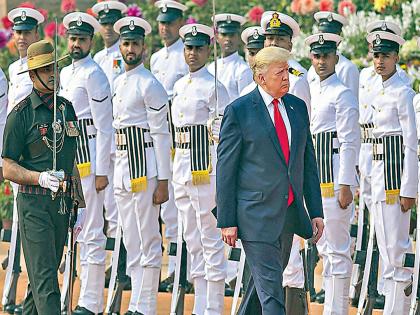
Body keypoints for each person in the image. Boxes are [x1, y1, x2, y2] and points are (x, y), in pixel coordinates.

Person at [217, 46, 324, 315]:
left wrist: (316, 211)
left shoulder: (297, 108)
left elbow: (307, 163)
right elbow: (226, 169)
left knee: (260, 289)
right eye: (280, 73)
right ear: (261, 78)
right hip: (254, 216)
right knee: (273, 294)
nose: (287, 78)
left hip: (287, 215)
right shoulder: (239, 111)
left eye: (287, 71)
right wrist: (227, 220)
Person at [2, 40, 79, 315]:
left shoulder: (67, 109)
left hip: (60, 206)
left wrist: (76, 203)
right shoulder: (20, 115)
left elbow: (72, 159)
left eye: (54, 68)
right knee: (47, 284)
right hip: (34, 206)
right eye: (45, 70)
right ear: (32, 76)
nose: (53, 74)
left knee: (38, 287)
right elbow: (8, 166)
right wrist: (39, 177)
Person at [112, 16, 171, 315]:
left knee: (148, 239)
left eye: (135, 43)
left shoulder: (151, 84)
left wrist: (163, 180)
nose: (130, 48)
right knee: (131, 240)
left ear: (144, 47)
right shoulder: (119, 82)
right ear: (120, 46)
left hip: (144, 168)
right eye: (125, 43)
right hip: (123, 170)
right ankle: (135, 302)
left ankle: (146, 305)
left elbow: (161, 134)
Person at [171, 23, 229, 315]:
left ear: (209, 50)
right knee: (191, 239)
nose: (192, 53)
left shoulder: (215, 86)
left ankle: (215, 308)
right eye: (188, 48)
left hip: (205, 168)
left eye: (198, 48)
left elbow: (226, 136)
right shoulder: (180, 86)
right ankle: (201, 305)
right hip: (181, 165)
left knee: (210, 238)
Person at [60, 12, 114, 315]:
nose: (76, 44)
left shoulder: (95, 74)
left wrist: (102, 171)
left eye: (81, 39)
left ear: (90, 41)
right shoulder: (66, 73)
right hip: (68, 158)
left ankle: (91, 302)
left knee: (92, 230)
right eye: (72, 38)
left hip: (89, 159)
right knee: (71, 230)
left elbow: (105, 126)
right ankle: (69, 294)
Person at [305, 32, 360, 315]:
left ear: (336, 58)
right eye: (316, 55)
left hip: (335, 174)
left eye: (326, 55)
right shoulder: (312, 89)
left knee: (337, 249)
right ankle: (329, 307)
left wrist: (346, 183)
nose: (321, 61)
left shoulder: (343, 93)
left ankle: (337, 310)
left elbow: (350, 141)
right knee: (324, 249)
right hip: (316, 176)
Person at [358, 20, 412, 306]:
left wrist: (408, 189)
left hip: (395, 178)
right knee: (386, 248)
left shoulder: (402, 93)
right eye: (376, 55)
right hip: (378, 175)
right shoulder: (378, 90)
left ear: (396, 57)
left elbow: (411, 143)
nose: (380, 61)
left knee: (396, 252)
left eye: (386, 55)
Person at [2, 7, 44, 314]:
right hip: (14, 160)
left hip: (34, 161)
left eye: (27, 32)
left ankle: (31, 294)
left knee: (33, 233)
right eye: (18, 32)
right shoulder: (11, 72)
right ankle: (10, 294)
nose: (21, 38)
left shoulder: (42, 70)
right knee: (17, 229)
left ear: (37, 35)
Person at [150, 0, 189, 291]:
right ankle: (172, 268)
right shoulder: (156, 58)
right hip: (159, 135)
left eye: (170, 22)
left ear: (180, 23)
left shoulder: (185, 54)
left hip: (179, 136)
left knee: (178, 206)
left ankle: (179, 269)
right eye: (162, 22)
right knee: (167, 211)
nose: (165, 28)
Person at [92, 0, 129, 295]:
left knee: (120, 211)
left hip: (123, 144)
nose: (106, 28)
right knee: (107, 210)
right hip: (101, 141)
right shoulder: (98, 58)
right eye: (103, 23)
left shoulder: (125, 57)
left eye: (110, 23)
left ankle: (121, 268)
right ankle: (115, 264)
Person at [307, 11, 359, 100]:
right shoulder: (313, 68)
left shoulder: (347, 68)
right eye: (322, 33)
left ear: (338, 39)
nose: (325, 37)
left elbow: (351, 100)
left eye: (330, 35)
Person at [208, 13, 253, 103]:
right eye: (224, 34)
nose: (228, 39)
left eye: (232, 35)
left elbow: (246, 103)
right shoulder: (211, 67)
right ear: (217, 37)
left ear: (238, 37)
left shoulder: (243, 70)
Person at [240, 26, 265, 96]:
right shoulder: (246, 92)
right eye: (252, 53)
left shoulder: (285, 85)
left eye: (260, 53)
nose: (256, 59)